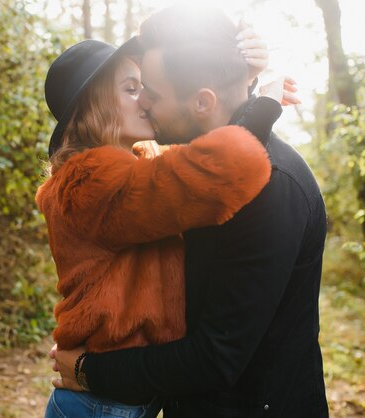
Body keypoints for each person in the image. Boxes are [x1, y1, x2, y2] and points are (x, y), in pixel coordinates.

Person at [52, 6, 329, 418]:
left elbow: (216, 356)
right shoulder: (94, 182)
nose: (144, 100)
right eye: (132, 89)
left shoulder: (270, 182)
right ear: (94, 112)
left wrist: (241, 78)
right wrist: (257, 98)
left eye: (147, 89)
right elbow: (206, 161)